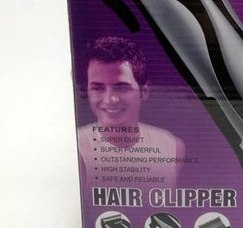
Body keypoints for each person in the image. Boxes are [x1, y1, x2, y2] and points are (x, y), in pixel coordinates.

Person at [78, 36, 185, 189]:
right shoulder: (76, 149)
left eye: (122, 87)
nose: (110, 99)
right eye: (98, 88)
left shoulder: (172, 147)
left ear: (144, 91)